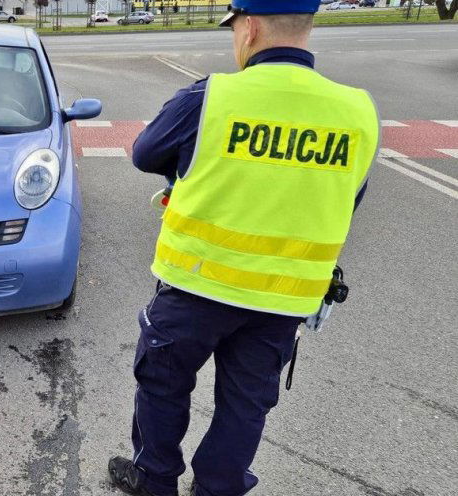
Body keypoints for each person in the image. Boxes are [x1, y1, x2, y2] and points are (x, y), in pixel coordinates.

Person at [108, 1, 380, 495]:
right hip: (282, 299)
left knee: (163, 386)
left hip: (196, 283)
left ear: (249, 27)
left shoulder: (211, 97)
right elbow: (348, 198)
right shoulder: (358, 110)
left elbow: (145, 152)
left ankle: (154, 481)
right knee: (245, 405)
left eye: (234, 28)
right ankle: (217, 488)